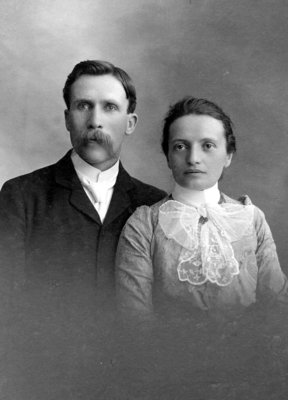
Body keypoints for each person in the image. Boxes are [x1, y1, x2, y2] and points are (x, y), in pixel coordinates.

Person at [0, 60, 166, 318]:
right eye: (83, 106)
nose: (95, 121)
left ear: (130, 123)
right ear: (67, 119)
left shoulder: (155, 204)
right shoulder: (22, 196)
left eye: (110, 107)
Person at [115, 96, 288, 320]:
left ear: (228, 155)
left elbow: (278, 304)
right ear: (168, 156)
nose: (193, 158)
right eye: (180, 146)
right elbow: (134, 319)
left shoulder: (251, 218)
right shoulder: (145, 224)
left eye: (207, 146)